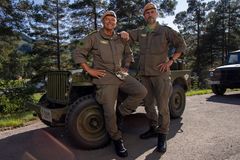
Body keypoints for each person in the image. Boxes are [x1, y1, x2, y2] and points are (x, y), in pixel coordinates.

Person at [73, 11, 147, 158]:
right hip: (105, 78)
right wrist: (89, 70)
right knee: (109, 112)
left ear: (116, 23)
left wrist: (126, 66)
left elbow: (129, 54)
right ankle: (117, 139)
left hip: (120, 74)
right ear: (103, 22)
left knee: (141, 91)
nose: (110, 22)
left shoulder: (121, 38)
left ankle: (122, 111)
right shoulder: (93, 37)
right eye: (107, 19)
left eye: (113, 20)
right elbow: (78, 52)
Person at [121, 2, 187, 153]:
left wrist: (171, 61)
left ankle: (162, 137)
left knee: (163, 107)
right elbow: (127, 36)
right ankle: (152, 128)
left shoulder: (164, 31)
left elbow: (181, 45)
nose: (149, 14)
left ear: (156, 14)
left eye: (152, 11)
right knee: (149, 105)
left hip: (161, 75)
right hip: (145, 75)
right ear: (144, 16)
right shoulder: (141, 32)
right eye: (147, 12)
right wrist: (124, 33)